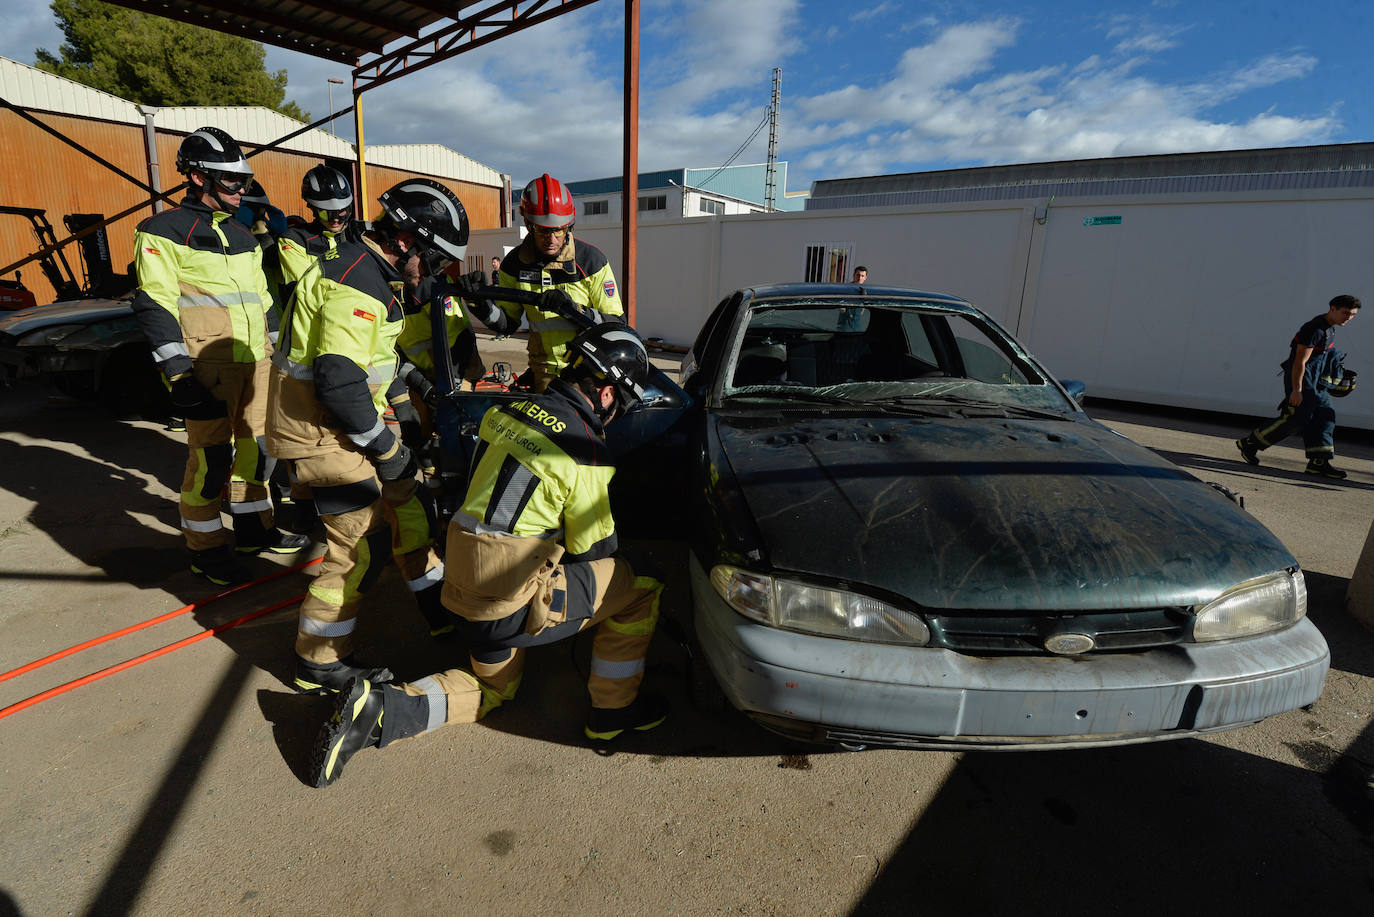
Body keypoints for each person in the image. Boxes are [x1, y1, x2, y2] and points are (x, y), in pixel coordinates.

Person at [310, 324, 667, 787]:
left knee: (494, 690)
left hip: (460, 590)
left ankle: (379, 710)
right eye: (619, 401)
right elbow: (593, 552)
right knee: (641, 586)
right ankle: (613, 711)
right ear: (604, 394)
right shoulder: (587, 453)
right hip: (508, 604)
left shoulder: (507, 412)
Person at [266, 178, 468, 693]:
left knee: (411, 506)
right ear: (406, 240)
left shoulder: (367, 270)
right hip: (319, 432)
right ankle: (319, 659)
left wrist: (415, 381)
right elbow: (339, 381)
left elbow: (369, 356)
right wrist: (388, 448)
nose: (436, 274)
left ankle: (438, 609)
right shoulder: (358, 282)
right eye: (436, 260)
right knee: (358, 547)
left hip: (337, 424)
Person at [130, 127, 308, 586]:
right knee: (208, 465)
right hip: (205, 368)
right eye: (231, 182)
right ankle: (206, 550)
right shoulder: (160, 232)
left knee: (258, 453)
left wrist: (281, 358)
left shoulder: (244, 235)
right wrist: (178, 377)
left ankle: (253, 529)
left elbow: (264, 302)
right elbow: (155, 306)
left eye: (243, 181)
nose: (241, 190)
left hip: (258, 365)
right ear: (196, 177)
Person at [461, 173, 625, 391]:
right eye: (543, 231)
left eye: (559, 230)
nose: (552, 239)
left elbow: (617, 325)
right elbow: (507, 324)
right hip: (544, 374)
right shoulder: (514, 265)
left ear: (569, 226)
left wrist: (574, 309)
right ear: (529, 225)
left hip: (588, 374)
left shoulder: (591, 261)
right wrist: (479, 303)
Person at [1237, 294, 1361, 478]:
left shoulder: (1330, 328)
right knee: (1297, 418)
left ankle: (1319, 462)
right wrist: (1297, 390)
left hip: (1316, 379)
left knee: (1325, 415)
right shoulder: (1314, 329)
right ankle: (1251, 443)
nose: (1348, 318)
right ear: (1332, 308)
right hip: (1302, 377)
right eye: (1345, 313)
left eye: (1352, 315)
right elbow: (1299, 362)